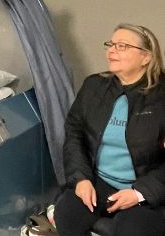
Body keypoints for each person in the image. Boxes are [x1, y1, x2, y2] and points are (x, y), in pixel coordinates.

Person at [55, 23, 165, 236]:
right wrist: (81, 178)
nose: (112, 50)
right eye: (111, 44)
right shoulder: (94, 86)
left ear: (146, 57)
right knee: (67, 212)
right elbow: (75, 132)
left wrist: (141, 193)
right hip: (101, 181)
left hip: (146, 188)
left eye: (122, 46)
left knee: (131, 228)